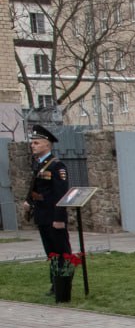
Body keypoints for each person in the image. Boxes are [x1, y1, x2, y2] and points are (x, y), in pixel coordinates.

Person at [23, 124, 71, 294]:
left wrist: (59, 219)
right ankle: (55, 284)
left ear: (47, 145)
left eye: (36, 143)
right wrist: (30, 201)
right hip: (42, 216)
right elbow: (36, 187)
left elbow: (60, 195)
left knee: (61, 252)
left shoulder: (56, 166)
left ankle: (63, 286)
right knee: (51, 253)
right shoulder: (39, 165)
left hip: (53, 217)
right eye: (32, 143)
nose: (32, 145)